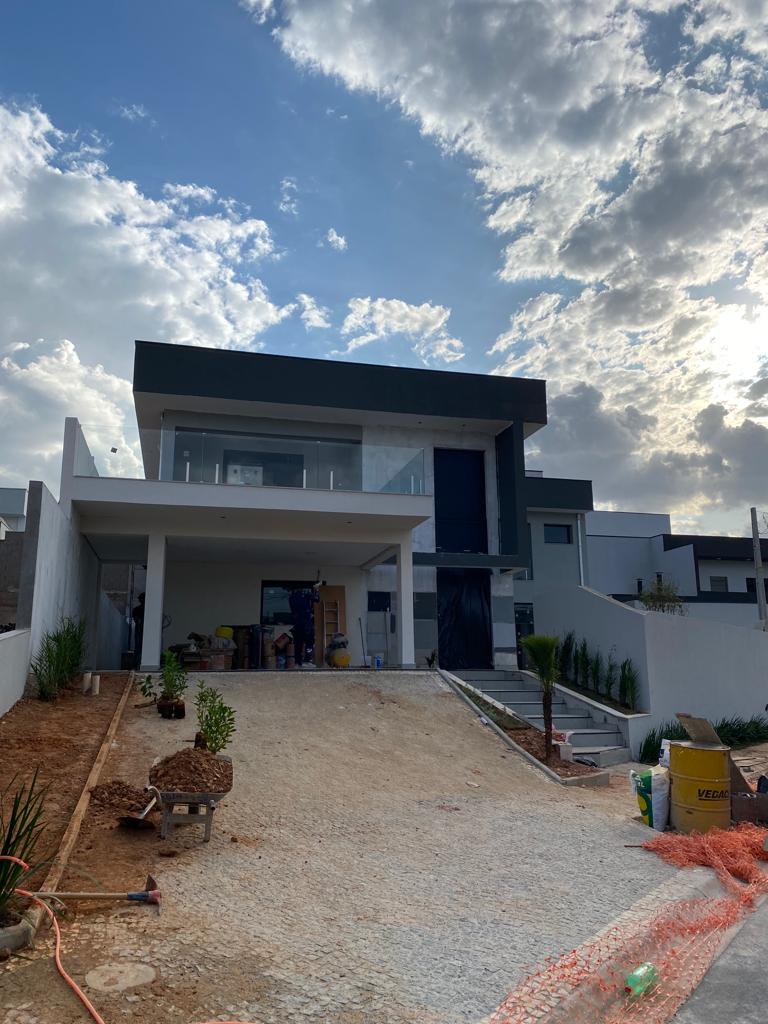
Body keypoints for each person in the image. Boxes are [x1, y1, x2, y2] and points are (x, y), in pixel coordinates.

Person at [288, 584, 320, 668]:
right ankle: (307, 661)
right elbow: (317, 599)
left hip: (297, 625)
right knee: (309, 642)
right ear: (301, 590)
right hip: (306, 624)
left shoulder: (291, 598)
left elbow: (295, 610)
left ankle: (297, 663)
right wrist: (316, 590)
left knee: (298, 644)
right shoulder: (306, 595)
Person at [132, 592, 145, 669]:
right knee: (138, 648)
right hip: (139, 631)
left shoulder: (148, 609)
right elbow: (136, 620)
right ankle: (135, 665)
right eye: (141, 599)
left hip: (144, 632)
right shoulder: (136, 609)